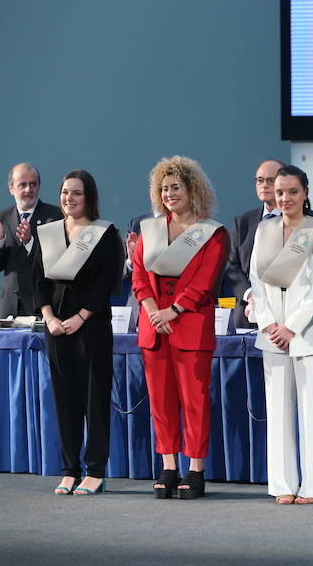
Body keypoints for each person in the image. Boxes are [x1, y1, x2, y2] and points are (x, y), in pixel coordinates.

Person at [132, 155, 227, 500]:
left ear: (192, 189)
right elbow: (139, 275)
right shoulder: (150, 229)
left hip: (190, 325)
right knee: (160, 401)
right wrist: (154, 311)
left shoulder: (212, 234)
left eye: (176, 187)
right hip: (154, 326)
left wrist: (173, 310)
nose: (170, 193)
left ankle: (195, 471)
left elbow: (205, 282)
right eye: (164, 188)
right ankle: (169, 466)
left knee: (194, 402)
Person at [249, 165, 313, 505]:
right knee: (278, 413)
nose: (285, 198)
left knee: (312, 414)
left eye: (292, 192)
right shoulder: (263, 230)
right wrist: (270, 323)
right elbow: (257, 278)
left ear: (305, 192)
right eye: (280, 191)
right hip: (271, 334)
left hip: (309, 334)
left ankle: (312, 486)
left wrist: (292, 326)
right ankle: (283, 483)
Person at [33, 170, 123, 495]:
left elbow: (107, 282)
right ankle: (69, 469)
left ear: (89, 198)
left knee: (94, 398)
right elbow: (38, 281)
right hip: (56, 326)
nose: (68, 199)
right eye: (64, 193)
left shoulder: (104, 233)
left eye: (76, 193)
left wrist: (81, 317)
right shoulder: (48, 233)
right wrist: (49, 317)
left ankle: (95, 471)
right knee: (64, 398)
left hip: (92, 325)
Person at [0, 162, 62, 317]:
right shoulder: (2, 218)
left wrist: (30, 242)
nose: (28, 190)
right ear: (11, 188)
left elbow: (54, 263)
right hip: (9, 306)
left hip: (42, 305)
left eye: (33, 184)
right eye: (22, 185)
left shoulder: (55, 216)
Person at [222, 159, 285, 329]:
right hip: (248, 314)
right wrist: (250, 295)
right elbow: (232, 266)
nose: (264, 185)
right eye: (260, 180)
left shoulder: (301, 221)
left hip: (285, 316)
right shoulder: (243, 221)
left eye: (270, 180)